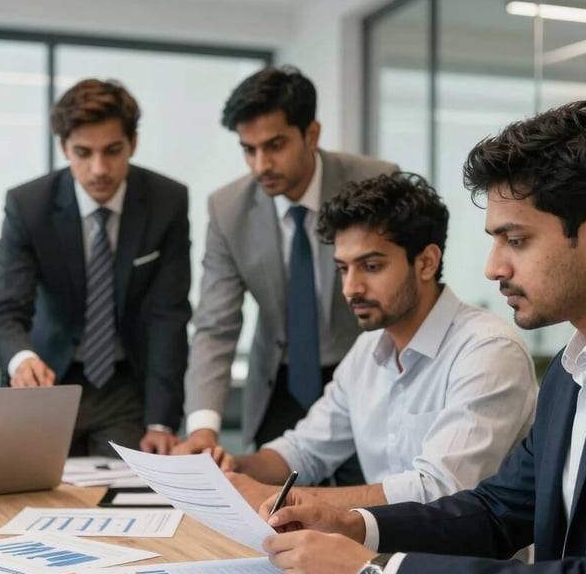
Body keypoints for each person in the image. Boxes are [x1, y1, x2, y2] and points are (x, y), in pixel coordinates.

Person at [260, 100, 586, 574]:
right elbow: (499, 511)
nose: (492, 267)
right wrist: (357, 526)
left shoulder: (502, 350)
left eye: (516, 240)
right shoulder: (574, 373)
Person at [214, 171, 537, 509]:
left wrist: (277, 497)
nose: (350, 288)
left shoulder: (488, 351)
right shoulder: (367, 350)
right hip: (374, 553)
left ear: (426, 262)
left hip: (455, 561)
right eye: (343, 268)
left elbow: (439, 491)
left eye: (370, 266)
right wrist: (233, 469)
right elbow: (304, 451)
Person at [175, 66, 397, 482]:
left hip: (367, 373)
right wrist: (203, 426)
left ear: (311, 134)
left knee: (362, 503)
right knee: (266, 508)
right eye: (249, 149)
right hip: (279, 379)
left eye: (275, 145)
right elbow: (215, 326)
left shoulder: (375, 182)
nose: (262, 164)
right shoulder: (228, 209)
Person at [0, 78, 191, 455]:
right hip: (46, 384)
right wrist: (22, 358)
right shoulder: (28, 206)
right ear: (64, 148)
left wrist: (161, 420)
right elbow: (7, 310)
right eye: (83, 152)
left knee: (129, 498)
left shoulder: (167, 202)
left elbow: (169, 316)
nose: (99, 169)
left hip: (125, 385)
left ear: (133, 143)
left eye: (113, 150)